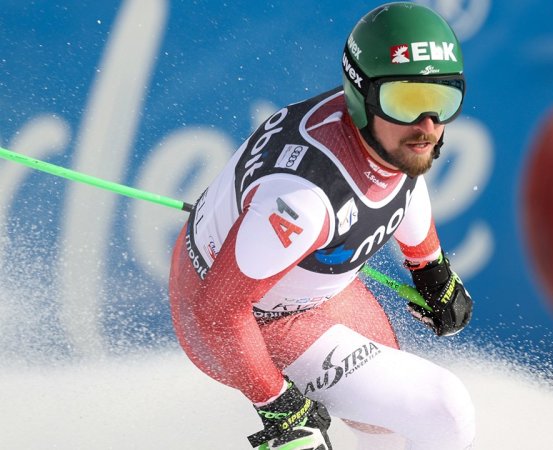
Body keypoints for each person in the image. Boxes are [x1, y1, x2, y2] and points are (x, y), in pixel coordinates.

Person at [169, 3, 475, 449]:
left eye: (443, 99)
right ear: (361, 95)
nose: (427, 125)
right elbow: (217, 313)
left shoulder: (386, 132)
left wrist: (430, 267)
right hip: (247, 321)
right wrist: (279, 408)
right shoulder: (303, 200)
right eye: (407, 101)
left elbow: (401, 178)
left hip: (309, 289)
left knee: (389, 431)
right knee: (444, 409)